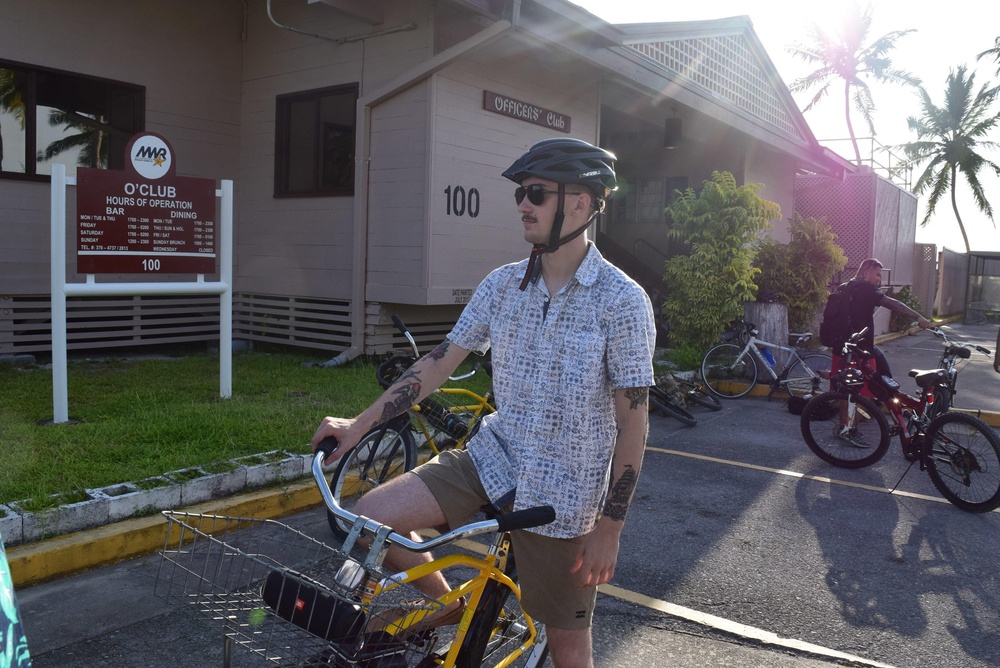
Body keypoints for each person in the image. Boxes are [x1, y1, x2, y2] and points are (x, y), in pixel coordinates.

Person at [311, 137, 656, 668]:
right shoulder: (502, 286)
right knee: (371, 518)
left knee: (568, 649)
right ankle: (447, 608)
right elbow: (439, 362)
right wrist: (357, 425)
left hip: (564, 491)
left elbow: (632, 426)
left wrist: (610, 528)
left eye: (537, 193)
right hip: (495, 455)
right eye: (522, 192)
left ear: (581, 204)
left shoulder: (623, 302)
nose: (523, 204)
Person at [835, 258, 932, 379]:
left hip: (841, 347)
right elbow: (893, 304)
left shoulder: (843, 287)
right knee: (879, 382)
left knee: (842, 387)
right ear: (866, 273)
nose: (879, 279)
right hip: (862, 348)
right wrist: (918, 317)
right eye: (877, 275)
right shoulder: (866, 289)